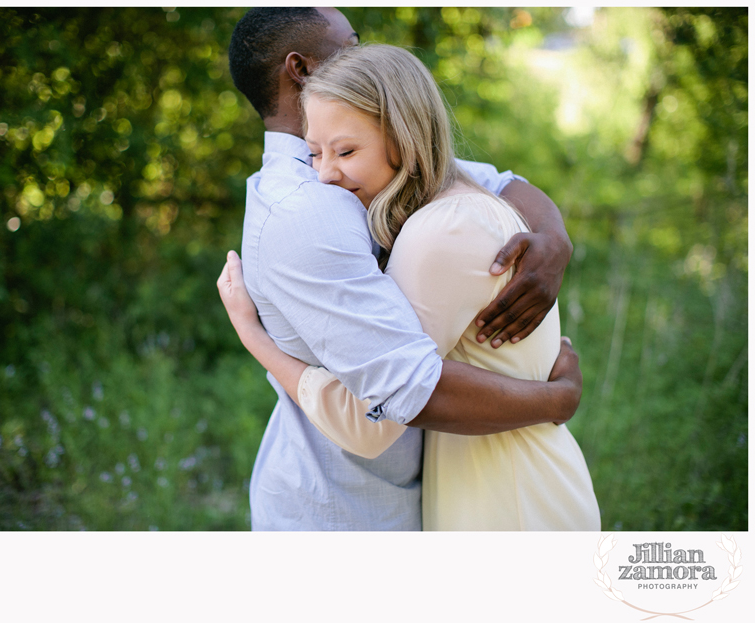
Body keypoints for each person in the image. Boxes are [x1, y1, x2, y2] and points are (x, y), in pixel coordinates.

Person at [225, 7, 582, 531]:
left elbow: (497, 183)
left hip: (431, 489)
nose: (364, 55)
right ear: (301, 70)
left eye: (341, 151)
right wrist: (556, 398)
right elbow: (400, 394)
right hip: (342, 511)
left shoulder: (380, 155)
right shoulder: (308, 206)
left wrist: (554, 239)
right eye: (350, 44)